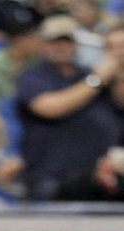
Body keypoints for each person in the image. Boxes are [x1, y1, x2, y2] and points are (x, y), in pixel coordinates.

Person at [15, 15, 119, 200]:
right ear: (43, 44)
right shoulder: (33, 76)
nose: (61, 47)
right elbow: (50, 108)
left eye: (66, 41)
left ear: (75, 45)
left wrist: (118, 59)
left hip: (97, 176)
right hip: (50, 177)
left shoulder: (87, 73)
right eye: (54, 41)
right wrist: (97, 80)